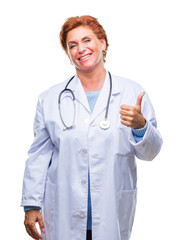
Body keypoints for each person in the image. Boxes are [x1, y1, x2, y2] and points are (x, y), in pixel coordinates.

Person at [21, 15, 163, 240]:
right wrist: (31, 204)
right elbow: (39, 156)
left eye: (87, 40)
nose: (80, 49)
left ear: (102, 43)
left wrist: (141, 126)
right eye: (72, 45)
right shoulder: (50, 99)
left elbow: (151, 153)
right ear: (68, 54)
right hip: (63, 210)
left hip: (111, 209)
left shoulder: (131, 92)